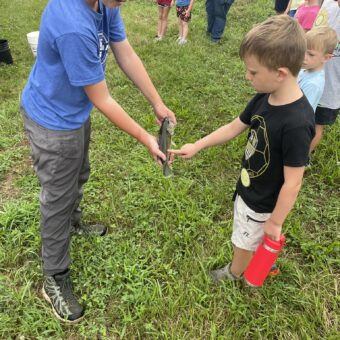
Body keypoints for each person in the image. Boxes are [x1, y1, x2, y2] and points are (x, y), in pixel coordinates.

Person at [21, 0, 176, 323]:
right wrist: (145, 137)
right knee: (57, 198)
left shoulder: (104, 3)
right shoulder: (73, 25)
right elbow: (102, 98)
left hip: (74, 114)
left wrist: (157, 103)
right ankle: (54, 275)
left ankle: (73, 222)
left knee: (79, 173)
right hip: (52, 120)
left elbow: (125, 52)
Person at [171, 15, 315, 284]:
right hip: (250, 187)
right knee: (249, 234)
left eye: (253, 72)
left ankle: (236, 273)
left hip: (262, 203)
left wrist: (275, 221)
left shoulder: (297, 123)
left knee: (243, 238)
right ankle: (253, 258)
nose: (247, 76)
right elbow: (234, 126)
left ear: (280, 73)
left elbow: (294, 183)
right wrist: (198, 145)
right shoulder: (265, 96)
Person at [310, 0, 340, 153]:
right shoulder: (328, 3)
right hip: (306, 79)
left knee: (316, 125)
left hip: (329, 92)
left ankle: (302, 158)